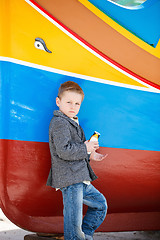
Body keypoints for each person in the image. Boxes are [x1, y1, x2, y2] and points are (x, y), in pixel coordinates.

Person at [47, 81, 107, 240]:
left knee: (100, 205)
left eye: (77, 103)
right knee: (73, 226)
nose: (73, 106)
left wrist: (91, 154)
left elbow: (76, 150)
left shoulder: (73, 122)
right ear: (58, 102)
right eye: (68, 102)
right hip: (70, 179)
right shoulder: (60, 122)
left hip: (80, 178)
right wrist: (85, 148)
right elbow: (63, 151)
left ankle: (85, 237)